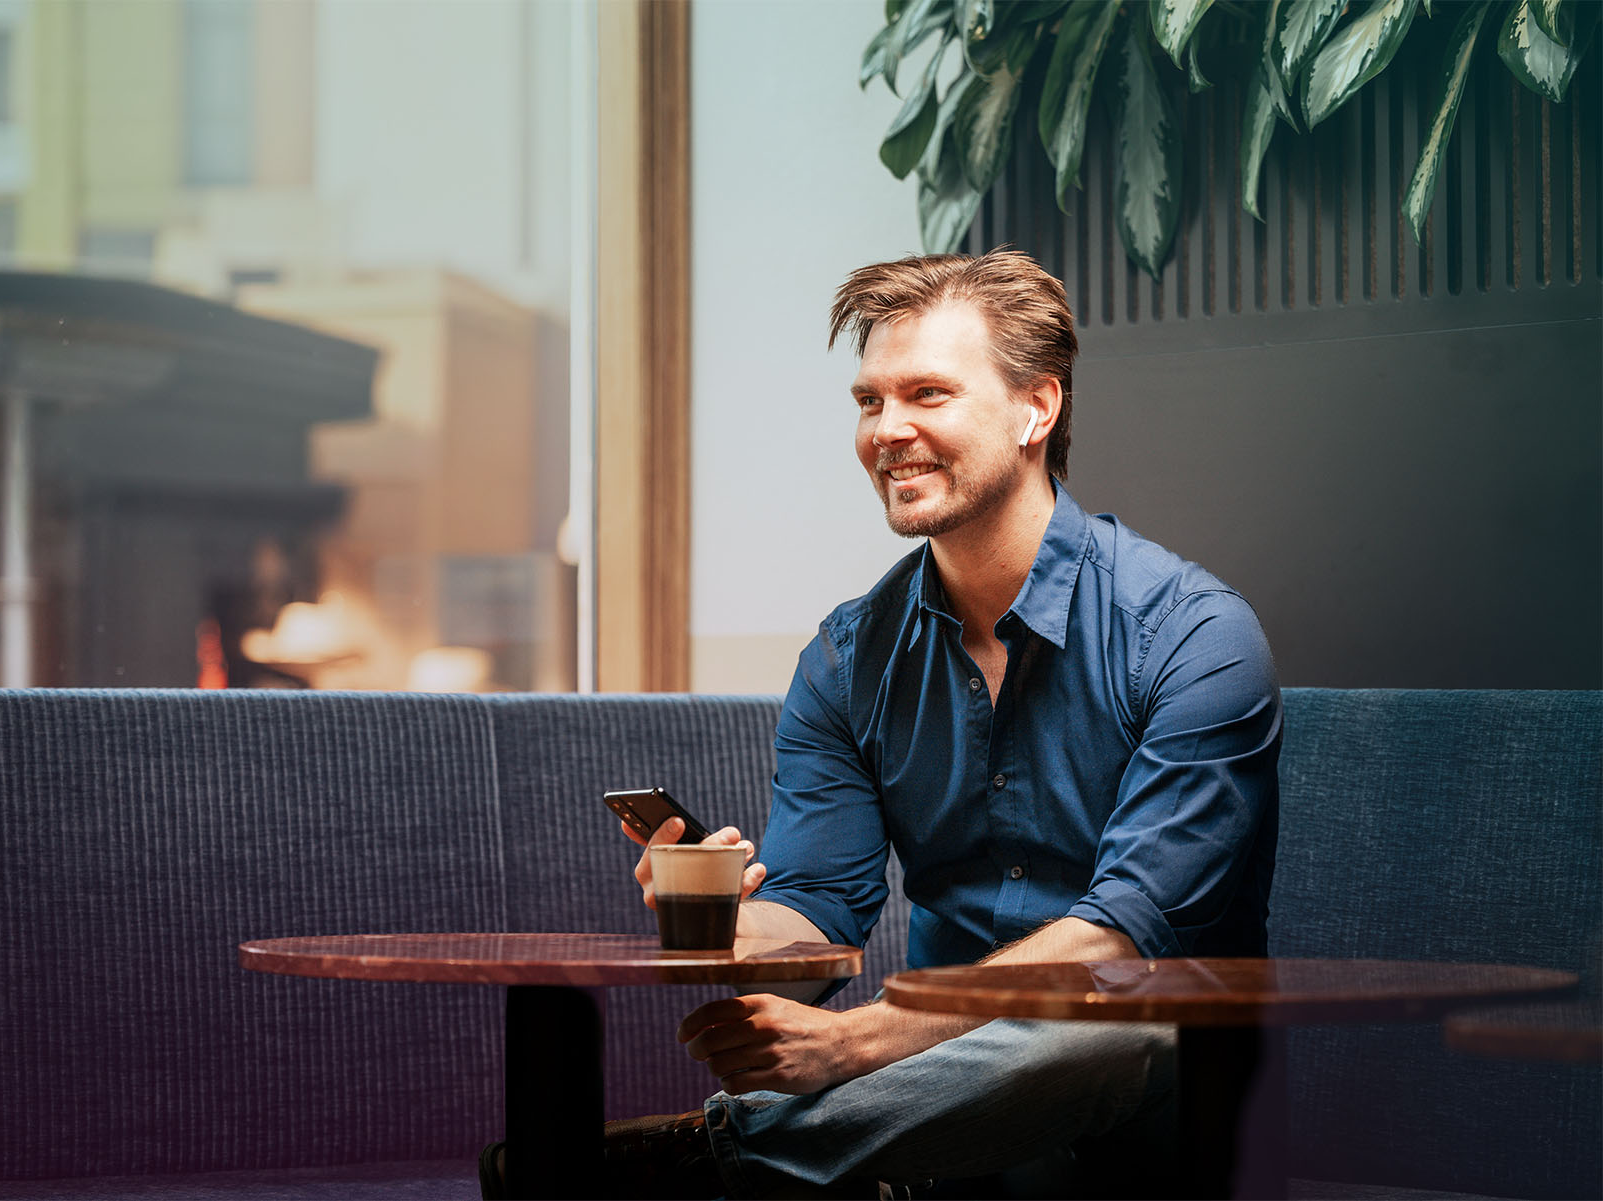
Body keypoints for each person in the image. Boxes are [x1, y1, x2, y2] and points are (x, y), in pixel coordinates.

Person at [487, 248, 1283, 1199]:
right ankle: (829, 1165)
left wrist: (861, 1043)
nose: (887, 431)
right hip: (940, 1095)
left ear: (1039, 407)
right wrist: (721, 924)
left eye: (928, 394)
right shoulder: (847, 658)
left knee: (1114, 1017)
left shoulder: (1194, 635)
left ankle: (710, 1161)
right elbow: (816, 924)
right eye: (870, 401)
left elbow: (1118, 939)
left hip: (1159, 1100)